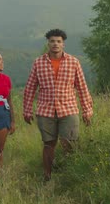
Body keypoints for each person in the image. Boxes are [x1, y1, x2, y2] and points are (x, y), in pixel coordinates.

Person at [22, 29, 93, 181]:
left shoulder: (73, 62)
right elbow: (30, 87)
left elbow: (82, 87)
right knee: (48, 144)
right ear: (48, 43)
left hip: (68, 109)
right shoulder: (38, 62)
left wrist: (87, 110)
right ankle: (47, 176)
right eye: (52, 41)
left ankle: (70, 176)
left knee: (70, 144)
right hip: (45, 110)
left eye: (58, 41)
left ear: (63, 44)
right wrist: (27, 110)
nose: (55, 44)